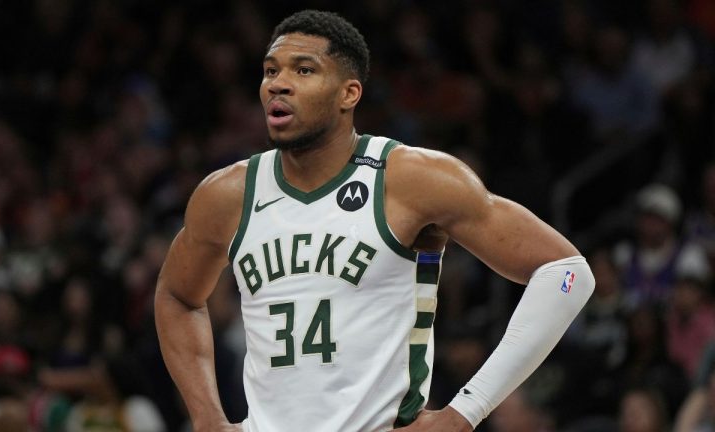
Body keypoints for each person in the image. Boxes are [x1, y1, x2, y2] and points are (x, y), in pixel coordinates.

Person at [154, 10, 595, 432]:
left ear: (349, 93)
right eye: (271, 71)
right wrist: (207, 415)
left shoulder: (411, 178)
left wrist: (467, 410)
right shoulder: (227, 194)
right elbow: (176, 295)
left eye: (303, 70)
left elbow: (566, 274)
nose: (278, 85)